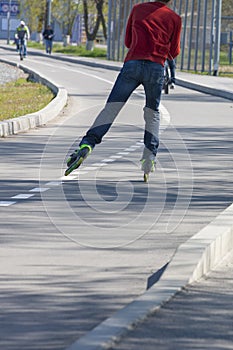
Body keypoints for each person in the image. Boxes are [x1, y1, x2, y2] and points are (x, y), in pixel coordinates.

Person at [65, 0, 182, 176]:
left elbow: (128, 41)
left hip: (132, 64)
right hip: (155, 68)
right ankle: (149, 156)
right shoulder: (174, 18)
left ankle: (87, 144)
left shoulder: (137, 10)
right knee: (152, 113)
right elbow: (174, 51)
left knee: (111, 108)